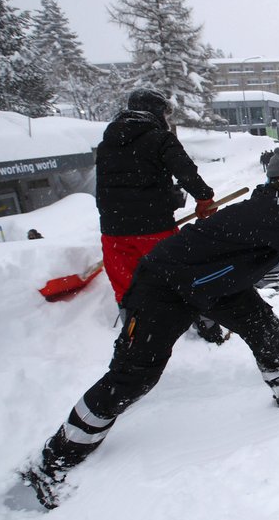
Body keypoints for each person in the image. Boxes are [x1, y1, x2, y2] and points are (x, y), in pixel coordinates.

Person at [18, 148, 279, 509]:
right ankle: (54, 461)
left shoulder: (278, 210)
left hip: (215, 284)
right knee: (134, 375)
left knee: (265, 330)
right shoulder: (269, 212)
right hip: (167, 286)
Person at [95, 88, 225, 342]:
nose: (167, 118)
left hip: (113, 232)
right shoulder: (159, 138)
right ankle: (209, 329)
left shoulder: (106, 143)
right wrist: (205, 199)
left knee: (126, 287)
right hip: (154, 229)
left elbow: (102, 188)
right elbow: (185, 171)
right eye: (165, 112)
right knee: (184, 276)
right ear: (156, 111)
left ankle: (135, 337)